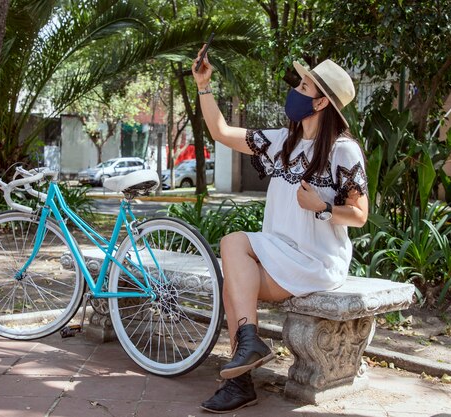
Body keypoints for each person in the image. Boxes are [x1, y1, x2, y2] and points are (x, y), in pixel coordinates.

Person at [192, 48, 369, 414]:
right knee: (235, 278)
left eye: (304, 86)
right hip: (278, 252)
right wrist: (204, 86)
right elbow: (222, 132)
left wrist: (321, 207)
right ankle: (244, 368)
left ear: (321, 103)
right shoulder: (281, 143)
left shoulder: (343, 151)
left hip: (315, 261)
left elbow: (359, 215)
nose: (296, 91)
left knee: (233, 244)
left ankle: (240, 379)